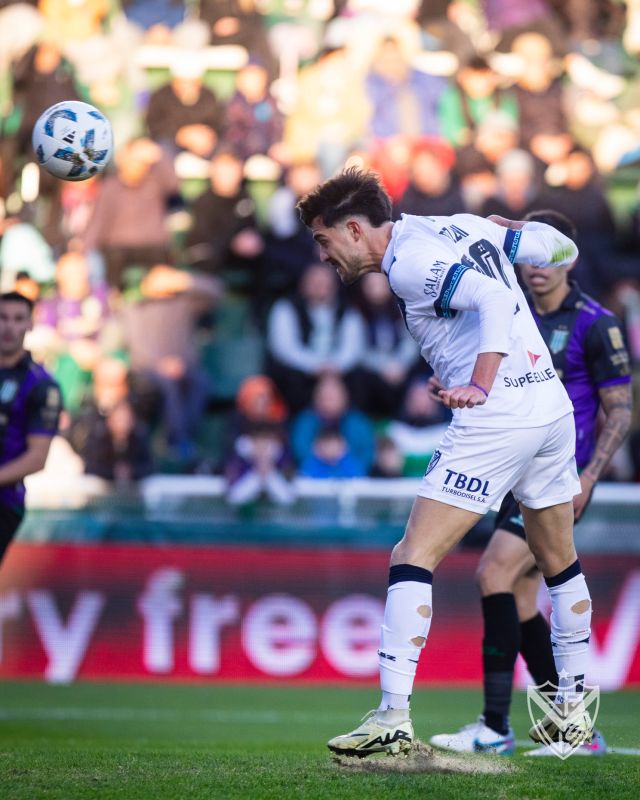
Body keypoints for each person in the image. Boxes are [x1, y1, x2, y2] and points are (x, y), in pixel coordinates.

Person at [297, 168, 592, 757]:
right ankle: (575, 709)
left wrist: (479, 383)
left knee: (412, 555)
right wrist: (514, 230)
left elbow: (493, 298)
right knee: (559, 562)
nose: (324, 256)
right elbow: (564, 249)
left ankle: (392, 715)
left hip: (499, 415)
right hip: (550, 409)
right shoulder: (461, 224)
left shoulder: (408, 262)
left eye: (325, 240)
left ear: (354, 229)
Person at [429, 210, 632, 756]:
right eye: (525, 257)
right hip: (512, 469)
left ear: (565, 257)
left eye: (543, 257)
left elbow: (619, 409)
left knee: (493, 572)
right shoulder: (510, 314)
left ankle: (496, 727)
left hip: (561, 473)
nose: (535, 268)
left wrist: (589, 476)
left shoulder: (596, 324)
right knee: (519, 597)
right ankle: (572, 727)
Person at [0, 292, 62, 567]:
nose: (9, 326)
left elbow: (37, 458)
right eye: (2, 318)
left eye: (18, 319)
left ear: (30, 324)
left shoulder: (40, 385)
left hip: (3, 502)